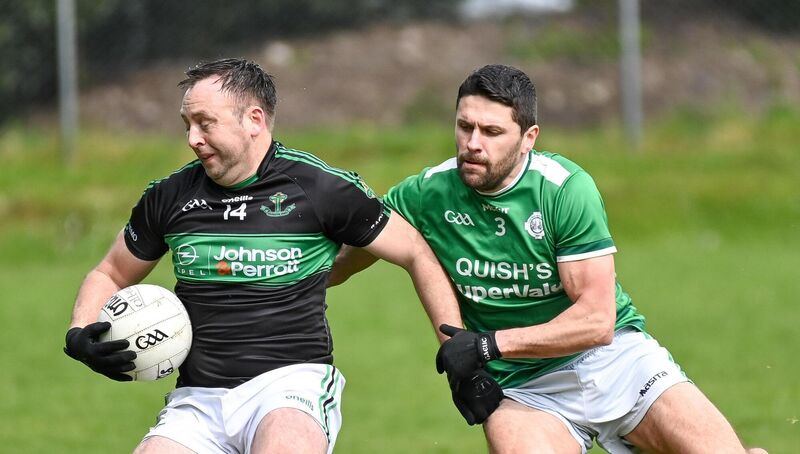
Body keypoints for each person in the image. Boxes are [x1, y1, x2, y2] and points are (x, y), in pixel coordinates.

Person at [331, 64, 767, 453]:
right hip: (525, 388)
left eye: (492, 132)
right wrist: (277, 275)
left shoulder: (564, 190)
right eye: (465, 127)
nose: (472, 144)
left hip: (617, 362)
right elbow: (351, 256)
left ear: (528, 138)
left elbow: (597, 322)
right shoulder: (428, 192)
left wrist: (487, 346)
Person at [63, 57, 471, 454]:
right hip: (197, 400)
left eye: (206, 123)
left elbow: (415, 250)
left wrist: (456, 347)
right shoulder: (169, 197)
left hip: (291, 387)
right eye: (187, 125)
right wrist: (79, 332)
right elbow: (112, 272)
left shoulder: (319, 187)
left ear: (254, 120)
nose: (192, 139)